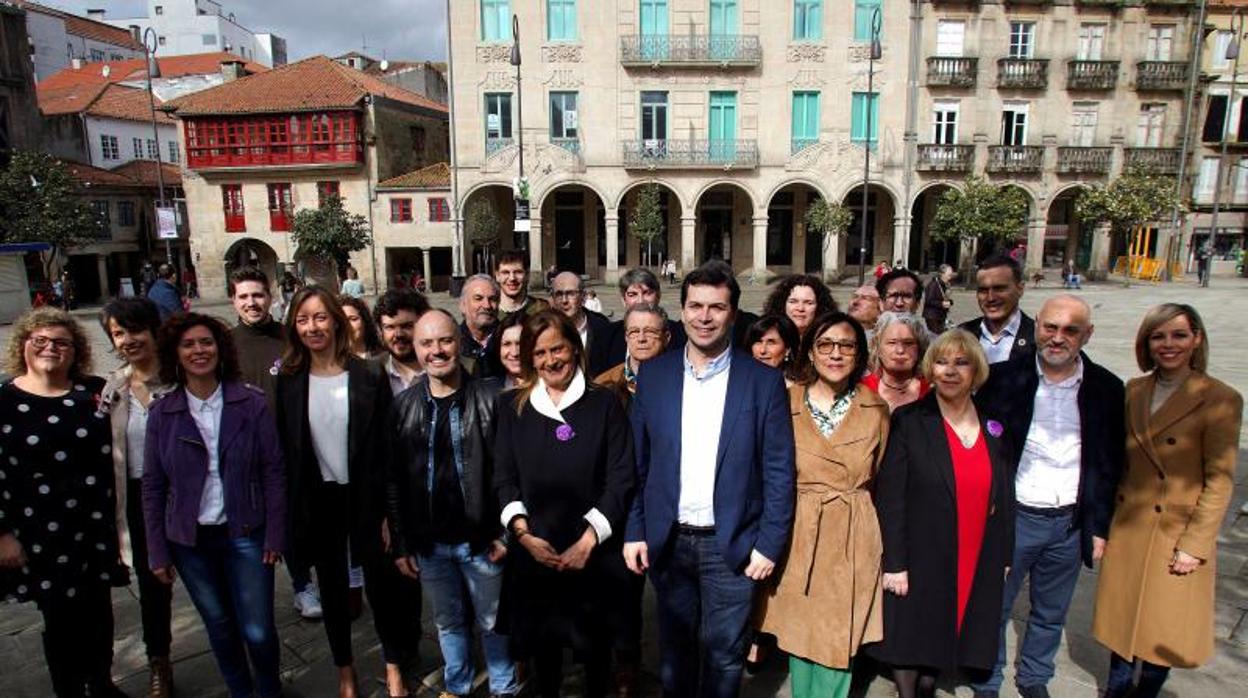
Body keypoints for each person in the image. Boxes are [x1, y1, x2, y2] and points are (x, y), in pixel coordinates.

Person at [624, 262, 796, 698]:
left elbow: (778, 470)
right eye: (696, 306)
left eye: (716, 307)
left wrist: (769, 543)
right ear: (681, 312)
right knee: (675, 655)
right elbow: (638, 465)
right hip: (670, 542)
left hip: (732, 547)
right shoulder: (655, 376)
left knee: (724, 656)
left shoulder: (763, 382)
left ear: (734, 314)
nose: (705, 316)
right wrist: (635, 530)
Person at [971, 295, 1125, 698]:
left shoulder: (1107, 388)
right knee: (995, 605)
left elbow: (1109, 463)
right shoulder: (1000, 378)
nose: (1058, 338)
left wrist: (1099, 525)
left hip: (1069, 523)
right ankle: (987, 677)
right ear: (1037, 326)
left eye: (1070, 330)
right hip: (1013, 516)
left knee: (1051, 611)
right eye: (1051, 327)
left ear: (1087, 335)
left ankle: (1035, 676)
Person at [1092, 304, 1242, 698]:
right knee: (1121, 624)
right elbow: (1118, 461)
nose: (1168, 344)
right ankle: (1116, 690)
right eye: (1158, 336)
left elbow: (1220, 480)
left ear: (1197, 339)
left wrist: (1195, 544)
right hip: (1131, 524)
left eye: (1178, 335)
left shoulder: (1221, 399)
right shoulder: (1135, 390)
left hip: (1175, 532)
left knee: (1160, 627)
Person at [276, 287, 417, 698]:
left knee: (382, 588)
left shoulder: (368, 375)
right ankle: (345, 671)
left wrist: (391, 514)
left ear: (337, 321)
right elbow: (288, 454)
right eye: (302, 319)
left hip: (367, 500)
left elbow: (390, 453)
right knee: (334, 593)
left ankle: (393, 667)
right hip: (321, 501)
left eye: (320, 317)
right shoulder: (288, 382)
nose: (312, 327)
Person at [143, 313, 286, 698]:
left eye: (206, 342)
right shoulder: (162, 414)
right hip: (190, 543)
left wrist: (275, 532)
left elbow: (273, 470)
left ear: (220, 349)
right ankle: (240, 690)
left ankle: (269, 690)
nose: (198, 351)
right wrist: (157, 550)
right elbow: (153, 487)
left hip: (246, 534)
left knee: (257, 629)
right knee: (220, 627)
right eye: (188, 344)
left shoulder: (250, 403)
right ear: (175, 353)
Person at [495, 311, 636, 697]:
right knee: (544, 665)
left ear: (574, 346)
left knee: (595, 663)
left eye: (557, 348)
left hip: (593, 559)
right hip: (536, 554)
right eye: (539, 353)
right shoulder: (512, 408)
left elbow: (621, 478)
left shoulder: (604, 404)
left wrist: (587, 542)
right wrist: (523, 537)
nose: (551, 360)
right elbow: (504, 478)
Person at [872, 330, 1015, 698]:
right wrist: (895, 563)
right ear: (929, 369)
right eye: (941, 361)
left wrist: (1004, 553)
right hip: (920, 550)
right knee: (909, 640)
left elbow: (1005, 496)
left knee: (944, 637)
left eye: (961, 362)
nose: (950, 371)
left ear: (976, 370)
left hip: (973, 547)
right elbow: (891, 496)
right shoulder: (909, 420)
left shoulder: (994, 426)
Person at [387, 309, 519, 698]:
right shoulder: (403, 407)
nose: (437, 351)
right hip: (431, 545)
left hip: (482, 541)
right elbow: (394, 481)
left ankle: (503, 688)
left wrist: (506, 535)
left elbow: (510, 474)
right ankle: (457, 686)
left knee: (493, 622)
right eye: (426, 343)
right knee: (448, 622)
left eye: (444, 340)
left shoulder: (491, 398)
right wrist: (401, 542)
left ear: (458, 343)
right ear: (415, 348)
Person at [0, 308, 128, 698]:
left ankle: (102, 682)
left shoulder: (91, 391)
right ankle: (69, 689)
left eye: (61, 342)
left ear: (76, 350)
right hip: (40, 532)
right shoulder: (5, 400)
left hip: (93, 527)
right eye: (40, 341)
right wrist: (3, 534)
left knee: (100, 613)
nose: (50, 348)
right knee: (60, 619)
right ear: (24, 345)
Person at [760, 312, 889, 698]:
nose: (836, 354)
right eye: (825, 345)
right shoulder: (784, 401)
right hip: (799, 528)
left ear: (860, 354)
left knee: (837, 635)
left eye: (846, 345)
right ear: (810, 353)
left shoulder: (875, 408)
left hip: (851, 530)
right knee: (801, 631)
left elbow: (878, 471)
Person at [228, 267, 323, 620]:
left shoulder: (288, 338)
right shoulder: (226, 345)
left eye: (258, 295)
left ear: (270, 297)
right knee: (254, 525)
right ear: (233, 301)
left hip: (291, 445)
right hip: (245, 449)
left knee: (295, 520)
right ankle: (254, 594)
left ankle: (303, 585)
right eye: (244, 296)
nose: (252, 303)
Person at [99, 298, 177, 698]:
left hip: (186, 496)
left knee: (212, 582)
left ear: (153, 329)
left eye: (134, 330)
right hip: (139, 499)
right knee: (152, 588)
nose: (128, 340)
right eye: (117, 333)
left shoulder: (181, 375)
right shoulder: (112, 388)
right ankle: (159, 663)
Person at [960, 254, 1034, 365]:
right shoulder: (962, 334)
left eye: (999, 289)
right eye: (983, 290)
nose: (990, 298)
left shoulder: (1038, 339)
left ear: (1020, 289)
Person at [606, 268, 687, 367]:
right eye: (633, 295)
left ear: (658, 296)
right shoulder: (607, 335)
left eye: (647, 293)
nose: (640, 301)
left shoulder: (680, 334)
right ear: (623, 300)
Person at [596, 302, 671, 410]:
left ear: (666, 337)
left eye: (650, 331)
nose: (641, 338)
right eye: (634, 332)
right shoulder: (604, 384)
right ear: (626, 337)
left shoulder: (682, 380)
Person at [551, 271, 616, 377]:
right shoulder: (543, 329)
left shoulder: (603, 329)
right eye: (559, 294)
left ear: (583, 296)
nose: (564, 300)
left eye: (571, 293)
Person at [863, 312, 931, 411]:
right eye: (892, 343)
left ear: (920, 348)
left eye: (908, 343)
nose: (900, 350)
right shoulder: (861, 389)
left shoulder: (933, 392)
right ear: (877, 348)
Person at [373, 288, 431, 395]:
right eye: (390, 327)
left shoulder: (445, 368)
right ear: (380, 331)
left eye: (407, 326)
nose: (398, 334)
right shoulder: (370, 374)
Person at [762, 274, 836, 340]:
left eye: (808, 303)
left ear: (820, 307)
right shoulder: (765, 339)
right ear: (782, 304)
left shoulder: (831, 340)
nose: (800, 308)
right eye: (793, 302)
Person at [460, 274, 505, 379]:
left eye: (492, 299)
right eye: (478, 298)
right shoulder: (453, 343)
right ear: (463, 305)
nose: (487, 305)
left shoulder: (510, 341)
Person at [744, 314, 801, 386]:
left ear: (788, 349)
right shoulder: (740, 381)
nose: (762, 350)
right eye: (758, 342)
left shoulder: (799, 388)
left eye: (771, 343)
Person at [495, 251, 549, 323]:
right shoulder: (490, 311)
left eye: (518, 272)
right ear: (497, 276)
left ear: (527, 275)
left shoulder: (542, 310)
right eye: (505, 272)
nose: (512, 278)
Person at [497, 312, 527, 390]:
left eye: (520, 343)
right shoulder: (484, 392)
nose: (514, 352)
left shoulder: (550, 387)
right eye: (507, 344)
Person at [922, 264, 956, 334]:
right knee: (936, 338)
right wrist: (941, 304)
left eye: (951, 275)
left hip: (941, 315)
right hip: (932, 316)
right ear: (942, 274)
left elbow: (944, 298)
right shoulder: (933, 284)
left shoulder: (945, 284)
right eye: (949, 275)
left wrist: (950, 302)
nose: (950, 277)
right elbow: (929, 301)